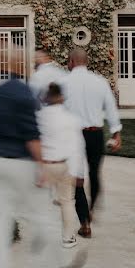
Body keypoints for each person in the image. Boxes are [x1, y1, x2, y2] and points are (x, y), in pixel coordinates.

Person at [0, 50, 85, 268]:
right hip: (20, 163)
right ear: (23, 68)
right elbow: (31, 135)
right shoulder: (25, 94)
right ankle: (58, 265)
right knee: (40, 214)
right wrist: (40, 166)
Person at [60, 48, 122, 239]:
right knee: (94, 174)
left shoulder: (63, 82)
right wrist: (116, 133)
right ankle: (91, 209)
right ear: (86, 62)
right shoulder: (100, 82)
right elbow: (111, 108)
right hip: (95, 134)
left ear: (71, 62)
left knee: (77, 179)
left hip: (73, 136)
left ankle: (85, 223)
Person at [37, 83, 88, 249]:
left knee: (41, 201)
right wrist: (79, 172)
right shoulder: (71, 118)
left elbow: (35, 141)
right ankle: (67, 238)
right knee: (67, 202)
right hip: (64, 165)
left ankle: (40, 237)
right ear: (62, 98)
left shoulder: (40, 116)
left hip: (45, 164)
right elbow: (78, 146)